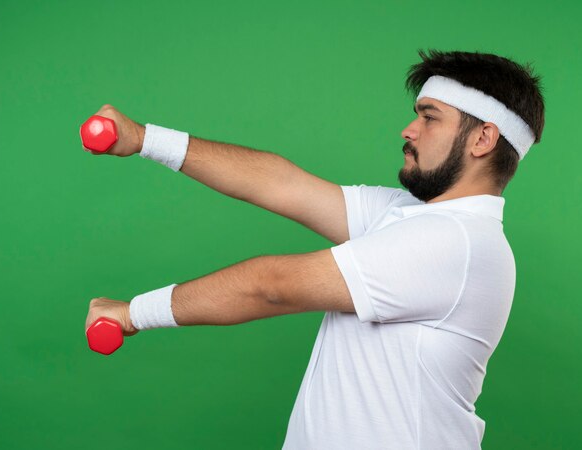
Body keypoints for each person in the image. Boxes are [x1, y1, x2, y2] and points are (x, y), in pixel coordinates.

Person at [84, 49, 545, 449]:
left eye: (429, 117)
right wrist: (144, 139)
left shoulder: (455, 243)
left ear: (483, 139)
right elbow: (280, 184)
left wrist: (131, 315)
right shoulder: (409, 217)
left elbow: (271, 286)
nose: (408, 130)